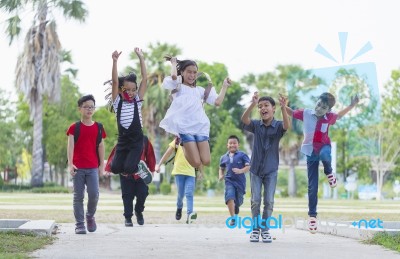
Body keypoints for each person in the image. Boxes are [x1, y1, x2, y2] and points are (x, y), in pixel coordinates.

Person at [283, 92, 359, 234]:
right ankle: (312, 216)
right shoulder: (306, 113)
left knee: (325, 154)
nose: (319, 108)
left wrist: (352, 105)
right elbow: (292, 112)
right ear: (316, 102)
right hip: (310, 152)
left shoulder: (329, 118)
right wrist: (283, 105)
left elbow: (340, 115)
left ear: (328, 110)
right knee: (312, 186)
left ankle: (329, 172)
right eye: (318, 104)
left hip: (323, 147)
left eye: (323, 107)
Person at [160, 56, 231, 170]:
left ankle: (187, 146)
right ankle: (183, 144)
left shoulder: (200, 91)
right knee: (196, 163)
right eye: (189, 72)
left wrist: (224, 86)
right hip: (185, 127)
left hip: (200, 126)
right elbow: (173, 76)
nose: (192, 75)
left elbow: (217, 102)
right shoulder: (178, 87)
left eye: (194, 72)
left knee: (206, 161)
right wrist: (173, 63)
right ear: (182, 72)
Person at [241, 92, 289, 243]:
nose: (263, 108)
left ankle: (265, 230)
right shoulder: (256, 125)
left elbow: (287, 126)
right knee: (255, 200)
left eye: (266, 105)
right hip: (255, 169)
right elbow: (244, 119)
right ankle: (256, 230)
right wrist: (252, 104)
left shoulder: (278, 125)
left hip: (271, 170)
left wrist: (284, 108)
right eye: (260, 106)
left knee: (269, 201)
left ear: (273, 108)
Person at [108, 48, 152, 182]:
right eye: (128, 90)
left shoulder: (137, 102)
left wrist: (141, 58)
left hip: (136, 140)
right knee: (114, 168)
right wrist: (115, 61)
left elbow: (144, 79)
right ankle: (132, 166)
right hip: (123, 141)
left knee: (128, 168)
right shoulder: (117, 103)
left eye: (134, 90)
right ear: (121, 90)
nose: (131, 92)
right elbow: (115, 81)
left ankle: (139, 166)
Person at [67, 94, 107, 234]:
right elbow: (70, 147)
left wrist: (102, 166)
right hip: (78, 167)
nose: (89, 109)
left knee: (94, 194)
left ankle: (90, 216)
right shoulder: (74, 128)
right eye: (86, 107)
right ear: (80, 109)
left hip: (92, 168)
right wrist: (70, 164)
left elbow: (101, 147)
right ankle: (79, 224)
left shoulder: (98, 127)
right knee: (78, 196)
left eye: (91, 107)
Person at [105, 135, 155, 226]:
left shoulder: (144, 139)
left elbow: (150, 154)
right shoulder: (123, 139)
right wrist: (109, 168)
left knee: (143, 193)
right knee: (127, 195)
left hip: (141, 173)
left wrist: (152, 169)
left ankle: (138, 211)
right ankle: (128, 218)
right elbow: (116, 153)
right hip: (125, 172)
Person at [155, 137, 203, 224]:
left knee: (189, 193)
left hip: (191, 172)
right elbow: (168, 153)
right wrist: (159, 165)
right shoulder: (177, 140)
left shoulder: (194, 141)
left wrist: (201, 171)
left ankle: (190, 215)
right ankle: (179, 207)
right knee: (181, 194)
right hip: (179, 171)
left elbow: (198, 157)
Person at [219, 135, 250, 226]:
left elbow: (248, 167)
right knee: (230, 197)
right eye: (230, 143)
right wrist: (221, 175)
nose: (232, 145)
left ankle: (236, 206)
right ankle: (233, 218)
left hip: (240, 182)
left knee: (239, 201)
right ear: (227, 145)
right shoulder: (223, 157)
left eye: (234, 143)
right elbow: (221, 168)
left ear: (238, 145)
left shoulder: (242, 155)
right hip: (229, 181)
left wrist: (241, 171)